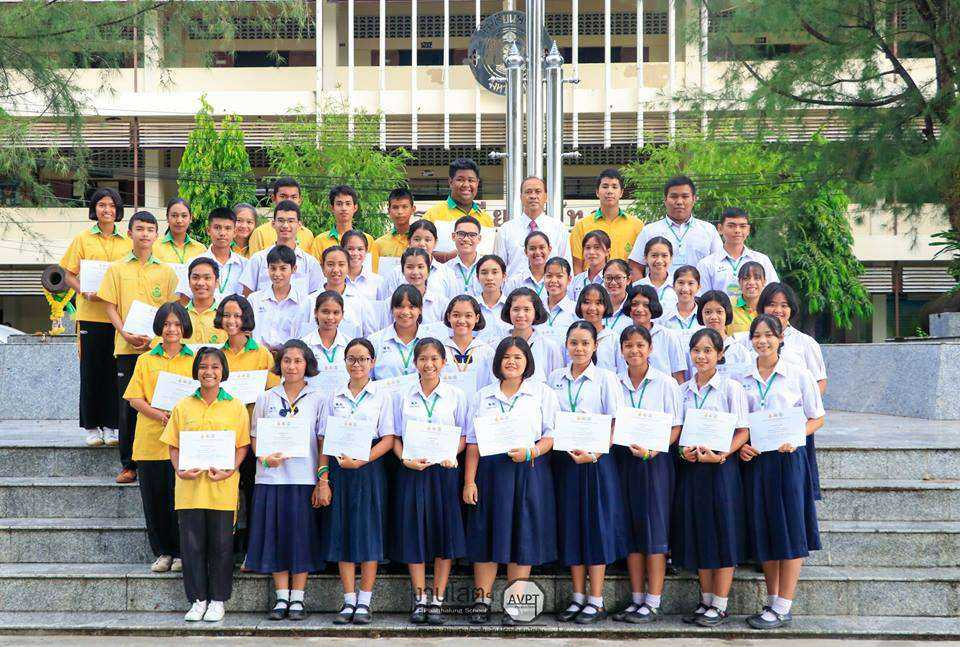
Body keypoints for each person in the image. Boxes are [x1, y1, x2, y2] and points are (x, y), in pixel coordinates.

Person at [463, 336, 560, 625]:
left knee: (522, 535)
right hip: (490, 473)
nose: (512, 362)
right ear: (498, 361)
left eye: (518, 357)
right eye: (506, 357)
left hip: (527, 470)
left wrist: (532, 451)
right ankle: (482, 601)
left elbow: (551, 435)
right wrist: (469, 481)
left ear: (527, 361)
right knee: (486, 533)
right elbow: (472, 442)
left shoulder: (541, 393)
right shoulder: (483, 396)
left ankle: (516, 604)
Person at [737, 314, 824, 629]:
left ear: (780, 338)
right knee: (766, 529)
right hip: (757, 461)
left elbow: (817, 417)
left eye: (769, 335)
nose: (762, 341)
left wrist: (796, 436)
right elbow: (741, 423)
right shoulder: (742, 377)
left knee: (789, 529)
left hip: (788, 460)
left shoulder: (798, 374)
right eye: (757, 335)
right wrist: (742, 446)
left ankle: (784, 605)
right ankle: (772, 601)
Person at [160, 347, 251, 623]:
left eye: (214, 366)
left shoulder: (235, 406)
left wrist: (230, 469)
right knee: (192, 547)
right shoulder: (183, 406)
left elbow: (242, 446)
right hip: (189, 490)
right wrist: (180, 469)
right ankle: (198, 600)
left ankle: (218, 600)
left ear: (223, 371)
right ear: (196, 371)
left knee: (221, 547)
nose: (208, 372)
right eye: (203, 366)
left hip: (222, 489)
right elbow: (173, 445)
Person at [549, 321, 627, 624]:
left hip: (596, 462)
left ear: (595, 346)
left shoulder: (606, 378)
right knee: (572, 525)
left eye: (585, 343)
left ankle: (596, 599)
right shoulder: (555, 378)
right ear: (566, 345)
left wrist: (596, 453)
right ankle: (578, 596)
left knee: (596, 525)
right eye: (574, 342)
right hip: (566, 461)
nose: (579, 348)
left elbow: (616, 422)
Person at [317, 338, 396, 625]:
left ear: (372, 362)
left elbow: (388, 439)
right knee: (343, 531)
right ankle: (348, 599)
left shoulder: (382, 396)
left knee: (369, 532)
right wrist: (323, 479)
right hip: (340, 469)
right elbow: (324, 439)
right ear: (345, 362)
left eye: (363, 359)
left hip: (369, 468)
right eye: (351, 358)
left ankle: (365, 601)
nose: (357, 364)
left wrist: (362, 460)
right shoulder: (333, 396)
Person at [674, 328, 749, 627]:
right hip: (693, 470)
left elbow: (742, 431)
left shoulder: (731, 389)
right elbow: (678, 432)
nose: (701, 356)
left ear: (720, 354)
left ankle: (720, 604)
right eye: (696, 350)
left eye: (708, 350)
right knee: (699, 531)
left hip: (721, 469)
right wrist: (684, 452)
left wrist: (722, 455)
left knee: (724, 531)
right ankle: (705, 600)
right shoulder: (682, 391)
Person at [390, 338, 469, 626]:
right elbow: (394, 437)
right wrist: (405, 459)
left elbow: (464, 436)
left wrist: (451, 454)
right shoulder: (402, 395)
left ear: (444, 362)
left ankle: (437, 600)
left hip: (444, 473)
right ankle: (420, 598)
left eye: (435, 358)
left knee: (443, 534)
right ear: (415, 363)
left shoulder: (456, 395)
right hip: (412, 471)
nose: (429, 364)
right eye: (423, 358)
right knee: (415, 533)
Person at [98, 210, 179, 484]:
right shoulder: (117, 269)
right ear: (129, 233)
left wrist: (156, 340)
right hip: (127, 347)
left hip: (159, 349)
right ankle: (129, 465)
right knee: (128, 408)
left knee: (161, 402)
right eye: (140, 229)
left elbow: (172, 310)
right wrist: (125, 333)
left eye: (150, 229)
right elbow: (110, 306)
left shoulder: (166, 271)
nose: (145, 234)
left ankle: (164, 459)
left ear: (157, 235)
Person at [248, 340, 326, 622]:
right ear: (279, 364)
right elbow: (255, 436)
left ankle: (298, 598)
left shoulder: (318, 398)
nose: (291, 366)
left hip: (303, 478)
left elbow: (322, 440)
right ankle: (282, 596)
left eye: (298, 361)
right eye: (287, 361)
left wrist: (322, 479)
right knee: (275, 536)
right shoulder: (266, 397)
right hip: (271, 479)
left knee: (300, 537)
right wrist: (264, 457)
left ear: (307, 365)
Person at [611, 325, 682, 624]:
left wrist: (655, 448)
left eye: (640, 345)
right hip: (624, 460)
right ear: (621, 350)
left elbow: (676, 427)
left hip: (655, 463)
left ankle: (653, 601)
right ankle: (637, 598)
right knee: (631, 529)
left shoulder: (666, 384)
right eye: (628, 345)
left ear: (650, 348)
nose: (634, 350)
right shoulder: (615, 382)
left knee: (654, 530)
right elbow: (611, 422)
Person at [123, 302, 195, 574]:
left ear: (184, 326)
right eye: (166, 324)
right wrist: (159, 415)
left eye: (176, 324)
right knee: (155, 501)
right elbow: (134, 398)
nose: (171, 329)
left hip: (184, 443)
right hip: (150, 441)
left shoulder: (194, 359)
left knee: (181, 502)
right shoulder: (145, 360)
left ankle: (181, 552)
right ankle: (163, 552)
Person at [59, 187, 131, 447]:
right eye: (102, 205)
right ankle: (91, 427)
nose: (107, 210)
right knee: (91, 371)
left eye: (111, 205)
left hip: (118, 317)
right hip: (90, 315)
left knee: (114, 372)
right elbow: (68, 274)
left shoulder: (127, 242)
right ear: (94, 209)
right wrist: (83, 291)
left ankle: (111, 427)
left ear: (118, 210)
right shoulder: (83, 239)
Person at [215, 294, 280, 560]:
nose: (231, 321)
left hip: (253, 431)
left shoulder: (261, 353)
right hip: (225, 433)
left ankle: (253, 551)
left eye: (237, 316)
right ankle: (225, 549)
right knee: (225, 490)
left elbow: (274, 390)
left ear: (246, 319)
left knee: (253, 491)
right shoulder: (217, 354)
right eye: (227, 315)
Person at [753, 282, 827, 500]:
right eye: (771, 304)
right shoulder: (752, 340)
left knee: (795, 490)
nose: (778, 310)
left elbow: (819, 381)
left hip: (795, 426)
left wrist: (800, 419)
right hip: (759, 429)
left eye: (784, 305)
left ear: (791, 309)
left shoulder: (806, 343)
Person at [628, 176, 722, 278]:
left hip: (700, 288)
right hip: (658, 288)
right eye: (674, 197)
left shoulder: (709, 230)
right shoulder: (649, 231)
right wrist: (644, 288)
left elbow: (720, 265)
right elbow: (635, 267)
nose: (679, 202)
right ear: (665, 199)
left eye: (685, 196)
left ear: (694, 199)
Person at [599, 284, 686, 382]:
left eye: (646, 305)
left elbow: (678, 377)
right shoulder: (619, 335)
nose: (639, 309)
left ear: (653, 307)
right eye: (634, 304)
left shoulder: (668, 336)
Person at [240, 201, 323, 296]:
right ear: (273, 224)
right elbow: (248, 295)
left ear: (299, 225)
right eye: (281, 220)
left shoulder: (310, 263)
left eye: (291, 221)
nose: (285, 225)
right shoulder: (258, 259)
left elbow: (316, 296)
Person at [569, 169, 644, 273]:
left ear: (621, 192)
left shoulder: (637, 226)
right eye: (605, 187)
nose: (609, 191)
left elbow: (639, 266)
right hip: (592, 282)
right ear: (597, 192)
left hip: (625, 282)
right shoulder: (581, 225)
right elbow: (577, 265)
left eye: (614, 187)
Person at [494, 176, 571, 275]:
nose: (533, 196)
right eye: (528, 192)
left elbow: (567, 268)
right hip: (514, 284)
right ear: (521, 197)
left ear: (545, 197)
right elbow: (497, 268)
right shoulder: (506, 230)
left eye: (538, 192)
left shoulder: (559, 229)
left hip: (549, 284)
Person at [696, 207, 778, 299]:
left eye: (742, 226)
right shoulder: (706, 264)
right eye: (731, 226)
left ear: (748, 230)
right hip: (721, 309)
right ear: (720, 228)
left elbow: (773, 293)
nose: (737, 230)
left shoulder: (762, 260)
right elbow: (702, 298)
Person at [423, 158, 494, 263]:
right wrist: (447, 257)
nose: (466, 185)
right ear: (450, 182)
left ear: (477, 183)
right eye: (460, 180)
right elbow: (420, 253)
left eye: (471, 180)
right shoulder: (433, 215)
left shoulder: (486, 219)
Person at [246, 245, 311, 352]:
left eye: (283, 268)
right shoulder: (254, 300)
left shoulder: (304, 302)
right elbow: (247, 333)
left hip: (289, 357)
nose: (277, 274)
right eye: (273, 268)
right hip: (258, 355)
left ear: (294, 269)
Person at [309, 185, 380, 271]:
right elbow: (314, 272)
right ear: (332, 208)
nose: (344, 208)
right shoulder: (320, 241)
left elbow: (372, 271)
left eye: (348, 204)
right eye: (339, 204)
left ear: (355, 208)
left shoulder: (368, 240)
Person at [373, 247, 446, 330]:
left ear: (428, 270)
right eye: (410, 267)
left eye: (420, 267)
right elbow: (384, 331)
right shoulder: (390, 302)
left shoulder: (441, 303)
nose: (415, 272)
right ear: (402, 270)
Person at [500, 287, 563, 383]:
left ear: (535, 312)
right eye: (516, 309)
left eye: (527, 309)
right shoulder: (497, 344)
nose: (521, 315)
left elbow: (556, 381)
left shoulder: (549, 346)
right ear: (509, 311)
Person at [379, 220, 453, 299]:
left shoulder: (446, 273)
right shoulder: (396, 273)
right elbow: (387, 303)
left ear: (435, 242)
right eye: (417, 239)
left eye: (427, 240)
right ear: (409, 241)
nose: (422, 244)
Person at [313, 245, 374, 338]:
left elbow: (370, 337)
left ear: (348, 267)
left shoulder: (361, 302)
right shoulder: (310, 301)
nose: (336, 270)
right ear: (322, 267)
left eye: (341, 264)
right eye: (330, 264)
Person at [369, 285, 428, 381]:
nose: (405, 312)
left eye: (412, 307)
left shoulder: (431, 340)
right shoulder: (375, 341)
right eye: (400, 306)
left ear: (420, 310)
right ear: (392, 309)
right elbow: (367, 378)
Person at [185, 207, 245, 301]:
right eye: (217, 227)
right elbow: (184, 299)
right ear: (208, 230)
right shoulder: (193, 263)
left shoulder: (245, 265)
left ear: (235, 232)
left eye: (227, 228)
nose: (222, 233)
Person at [439, 295, 495, 394]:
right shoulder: (440, 351)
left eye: (468, 316)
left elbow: (494, 384)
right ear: (448, 317)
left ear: (477, 318)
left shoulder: (487, 352)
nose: (461, 321)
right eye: (456, 315)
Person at [300, 291, 352, 392]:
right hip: (311, 400)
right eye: (325, 312)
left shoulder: (350, 345)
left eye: (336, 312)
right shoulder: (304, 346)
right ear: (315, 312)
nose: (330, 317)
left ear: (342, 314)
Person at [247, 178, 315, 256]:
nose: (289, 201)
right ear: (273, 198)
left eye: (294, 197)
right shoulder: (260, 234)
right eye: (283, 196)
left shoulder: (308, 235)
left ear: (300, 200)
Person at [698, 290, 753, 379]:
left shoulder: (739, 351)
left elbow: (747, 382)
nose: (713, 317)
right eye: (708, 312)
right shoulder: (695, 350)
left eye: (719, 312)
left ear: (727, 313)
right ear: (701, 315)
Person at [181, 258, 226, 345]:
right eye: (195, 277)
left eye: (207, 278)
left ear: (217, 282)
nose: (201, 283)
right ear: (189, 282)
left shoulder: (225, 318)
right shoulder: (179, 316)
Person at [659, 266, 704, 351]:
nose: (685, 289)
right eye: (681, 283)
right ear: (673, 286)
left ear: (698, 287)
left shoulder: (704, 316)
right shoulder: (664, 318)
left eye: (691, 283)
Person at [575, 283, 618, 369]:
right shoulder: (573, 336)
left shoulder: (614, 339)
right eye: (587, 302)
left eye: (598, 303)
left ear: (605, 306)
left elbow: (622, 371)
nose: (592, 308)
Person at [535, 257, 578, 344]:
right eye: (549, 276)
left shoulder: (576, 310)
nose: (553, 280)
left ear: (569, 279)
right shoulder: (536, 308)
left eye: (559, 276)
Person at [153, 198, 206, 267]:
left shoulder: (201, 249)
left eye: (184, 216)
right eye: (174, 216)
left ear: (190, 218)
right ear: (167, 218)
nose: (179, 220)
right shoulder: (154, 246)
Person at [632, 237, 677, 313]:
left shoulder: (678, 286)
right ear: (646, 258)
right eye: (654, 255)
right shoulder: (636, 286)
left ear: (671, 258)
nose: (659, 260)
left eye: (664, 256)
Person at [444, 215, 485, 299]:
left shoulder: (487, 267)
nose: (466, 239)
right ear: (453, 236)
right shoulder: (445, 269)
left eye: (472, 235)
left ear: (479, 238)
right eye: (461, 234)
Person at [474, 254, 511, 345]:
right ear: (477, 277)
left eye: (495, 272)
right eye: (484, 273)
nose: (489, 278)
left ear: (504, 276)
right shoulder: (471, 307)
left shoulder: (512, 307)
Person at [503, 230, 553, 297]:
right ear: (526, 252)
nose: (537, 252)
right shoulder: (515, 282)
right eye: (532, 248)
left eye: (542, 247)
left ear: (549, 249)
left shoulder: (556, 281)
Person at [569, 230, 611, 303]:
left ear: (607, 252)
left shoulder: (613, 281)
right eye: (588, 247)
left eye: (597, 247)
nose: (591, 252)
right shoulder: (576, 281)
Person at [342, 229, 384, 301]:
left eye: (360, 249)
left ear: (366, 251)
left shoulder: (377, 281)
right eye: (350, 249)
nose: (355, 253)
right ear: (342, 250)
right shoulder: (334, 279)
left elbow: (382, 306)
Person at [727, 261, 767, 336]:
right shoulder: (728, 307)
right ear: (739, 282)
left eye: (757, 278)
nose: (751, 282)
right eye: (746, 278)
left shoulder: (770, 307)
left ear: (764, 282)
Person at [375, 188, 415, 258]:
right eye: (395, 207)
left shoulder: (420, 242)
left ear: (413, 209)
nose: (400, 212)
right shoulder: (379, 244)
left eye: (404, 207)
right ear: (389, 211)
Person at [601, 260, 633, 337]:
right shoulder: (597, 307)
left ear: (628, 280)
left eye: (618, 278)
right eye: (608, 278)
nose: (613, 282)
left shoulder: (634, 308)